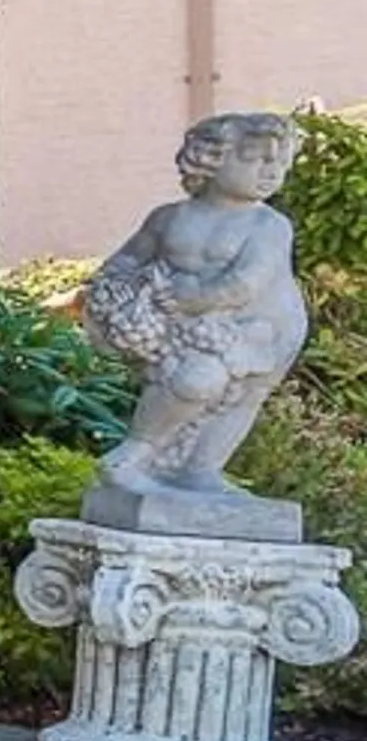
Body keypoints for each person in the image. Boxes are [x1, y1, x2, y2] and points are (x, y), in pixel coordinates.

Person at [84, 112, 312, 501]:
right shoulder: (168, 218)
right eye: (256, 159)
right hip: (185, 321)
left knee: (234, 392)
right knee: (190, 383)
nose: (270, 171)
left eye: (279, 161)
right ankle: (136, 458)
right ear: (211, 159)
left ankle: (199, 470)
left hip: (260, 325)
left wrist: (190, 299)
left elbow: (246, 283)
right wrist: (119, 290)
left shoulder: (269, 226)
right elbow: (127, 260)